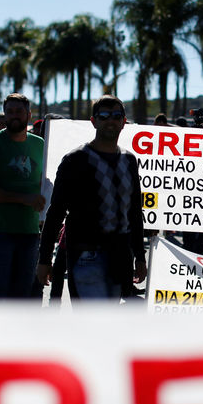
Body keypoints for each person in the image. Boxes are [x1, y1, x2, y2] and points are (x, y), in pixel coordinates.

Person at [36, 95, 147, 301]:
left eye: (116, 115)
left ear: (124, 122)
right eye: (104, 115)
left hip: (119, 256)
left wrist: (140, 257)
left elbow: (134, 211)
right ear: (94, 121)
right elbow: (56, 212)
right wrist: (44, 259)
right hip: (86, 256)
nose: (110, 120)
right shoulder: (75, 160)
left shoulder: (129, 160)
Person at [0, 93, 46, 301]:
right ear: (4, 115)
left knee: (23, 293)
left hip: (30, 232)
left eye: (19, 111)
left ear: (29, 115)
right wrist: (24, 199)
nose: (14, 116)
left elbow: (45, 184)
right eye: (10, 112)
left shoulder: (40, 145)